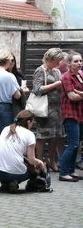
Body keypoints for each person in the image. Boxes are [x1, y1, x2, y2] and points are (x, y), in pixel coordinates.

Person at [0, 110, 49, 193]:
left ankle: (6, 183)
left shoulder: (6, 129)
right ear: (29, 121)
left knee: (10, 165)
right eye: (32, 122)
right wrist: (40, 163)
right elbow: (31, 160)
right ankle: (14, 181)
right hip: (14, 173)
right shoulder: (29, 134)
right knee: (33, 169)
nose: (32, 125)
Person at [32, 48, 64, 171]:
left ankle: (52, 161)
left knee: (55, 136)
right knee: (42, 137)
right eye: (57, 61)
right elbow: (37, 89)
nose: (59, 63)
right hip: (44, 109)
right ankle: (39, 163)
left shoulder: (56, 71)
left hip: (56, 109)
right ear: (50, 59)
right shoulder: (40, 71)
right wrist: (56, 84)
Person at [0, 50, 23, 154]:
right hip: (4, 108)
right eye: (11, 60)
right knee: (2, 137)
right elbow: (17, 95)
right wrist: (21, 90)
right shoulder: (9, 76)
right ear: (7, 61)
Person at [58, 51, 83, 182]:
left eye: (80, 61)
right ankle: (63, 172)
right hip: (70, 114)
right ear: (69, 63)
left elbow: (77, 93)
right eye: (76, 61)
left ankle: (71, 170)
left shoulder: (80, 75)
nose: (79, 64)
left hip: (80, 113)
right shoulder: (67, 77)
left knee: (77, 144)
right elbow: (71, 96)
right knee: (73, 144)